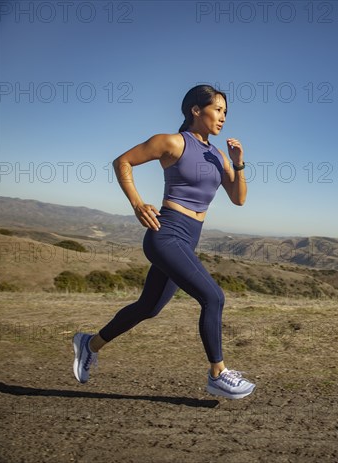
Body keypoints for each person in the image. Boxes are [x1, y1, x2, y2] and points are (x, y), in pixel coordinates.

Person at [72, 84, 255, 399]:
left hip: (188, 239)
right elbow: (122, 162)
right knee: (214, 298)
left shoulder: (218, 155)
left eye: (226, 112)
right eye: (218, 109)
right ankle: (218, 374)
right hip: (166, 234)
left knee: (149, 307)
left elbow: (239, 199)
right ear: (196, 110)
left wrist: (238, 163)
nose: (223, 117)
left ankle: (89, 344)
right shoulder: (172, 142)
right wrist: (138, 204)